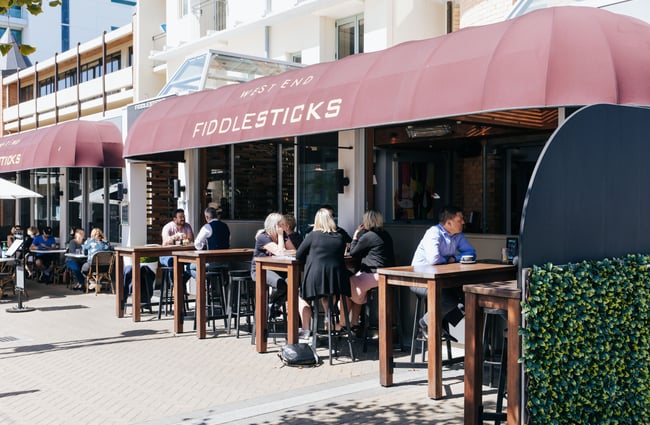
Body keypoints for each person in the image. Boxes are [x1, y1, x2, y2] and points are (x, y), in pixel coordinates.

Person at [411, 206, 476, 337]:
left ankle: (437, 323)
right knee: (450, 300)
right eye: (460, 220)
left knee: (468, 297)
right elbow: (433, 259)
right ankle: (427, 323)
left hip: (442, 279)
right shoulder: (433, 233)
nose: (463, 222)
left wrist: (454, 258)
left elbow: (471, 253)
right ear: (448, 223)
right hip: (421, 279)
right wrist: (450, 260)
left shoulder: (457, 236)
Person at [296, 208, 351, 336]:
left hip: (315, 279)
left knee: (301, 296)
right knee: (329, 293)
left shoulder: (313, 236)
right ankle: (328, 317)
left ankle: (306, 330)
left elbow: (299, 255)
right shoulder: (340, 236)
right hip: (337, 281)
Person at [341, 210, 395, 333]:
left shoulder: (369, 236)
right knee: (353, 283)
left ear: (367, 221)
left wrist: (355, 235)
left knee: (346, 285)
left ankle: (343, 324)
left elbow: (353, 252)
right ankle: (354, 323)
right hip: (385, 274)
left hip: (375, 274)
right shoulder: (385, 234)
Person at [251, 212, 297, 320]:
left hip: (277, 269)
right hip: (260, 270)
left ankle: (273, 306)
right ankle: (270, 304)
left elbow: (294, 251)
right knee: (281, 284)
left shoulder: (284, 236)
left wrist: (284, 249)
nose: (283, 227)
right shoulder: (263, 237)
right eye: (281, 225)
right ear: (274, 225)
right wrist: (281, 238)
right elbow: (280, 252)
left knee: (292, 284)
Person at [190, 206, 230, 278]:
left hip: (212, 262)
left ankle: (204, 284)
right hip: (225, 261)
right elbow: (228, 240)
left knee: (190, 267)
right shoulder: (225, 226)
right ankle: (210, 284)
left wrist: (202, 246)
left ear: (207, 217)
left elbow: (197, 244)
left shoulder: (207, 227)